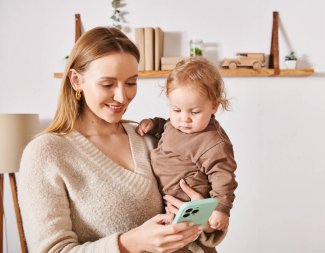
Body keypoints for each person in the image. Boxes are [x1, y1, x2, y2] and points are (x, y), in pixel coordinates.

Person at [18, 27, 226, 253]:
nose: (122, 96)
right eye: (107, 84)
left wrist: (204, 220)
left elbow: (199, 227)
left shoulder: (150, 138)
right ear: (76, 80)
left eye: (130, 83)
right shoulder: (46, 153)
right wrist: (128, 244)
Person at [136, 57, 238, 232]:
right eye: (176, 110)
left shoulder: (212, 142)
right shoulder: (175, 125)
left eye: (195, 112)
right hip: (166, 203)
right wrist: (154, 125)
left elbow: (223, 177)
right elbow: (166, 127)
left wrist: (221, 209)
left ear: (214, 106)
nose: (184, 119)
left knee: (186, 242)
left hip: (189, 205)